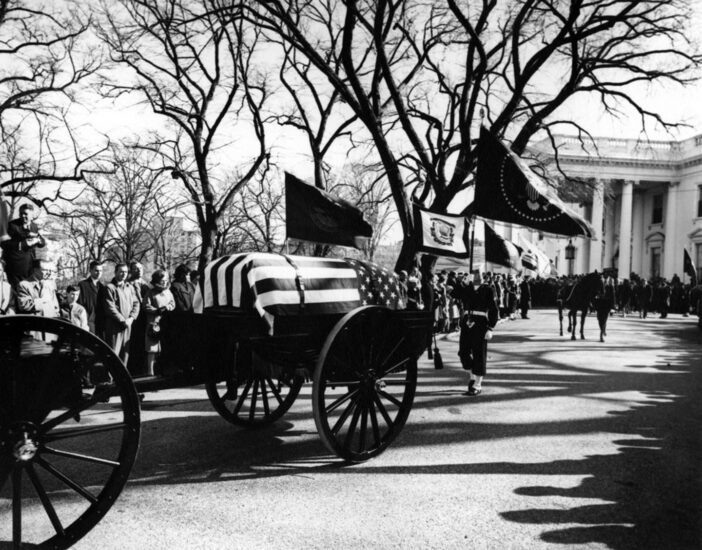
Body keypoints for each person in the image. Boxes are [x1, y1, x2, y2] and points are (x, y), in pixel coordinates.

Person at [455, 272, 499, 396]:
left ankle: (477, 385)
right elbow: (455, 293)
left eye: (478, 274)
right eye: (473, 274)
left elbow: (494, 309)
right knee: (463, 352)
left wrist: (490, 327)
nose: (476, 276)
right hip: (467, 321)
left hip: (480, 323)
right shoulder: (467, 288)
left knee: (479, 354)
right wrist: (462, 281)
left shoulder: (488, 290)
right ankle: (472, 376)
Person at [102, 263, 140, 366]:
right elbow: (110, 307)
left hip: (128, 325)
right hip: (115, 326)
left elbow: (136, 304)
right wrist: (123, 320)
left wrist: (131, 318)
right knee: (113, 352)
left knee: (125, 353)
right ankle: (109, 380)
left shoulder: (130, 287)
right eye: (121, 271)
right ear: (115, 272)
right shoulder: (109, 288)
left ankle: (122, 379)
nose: (124, 274)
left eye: (126, 272)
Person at [1, 203, 46, 286]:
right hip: (15, 267)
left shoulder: (34, 226)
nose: (22, 216)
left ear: (32, 215)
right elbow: (4, 244)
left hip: (30, 267)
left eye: (25, 214)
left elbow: (41, 242)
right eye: (21, 213)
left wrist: (39, 240)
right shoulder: (12, 225)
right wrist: (22, 244)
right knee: (17, 293)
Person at [143, 270, 175, 376]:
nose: (164, 283)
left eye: (166, 280)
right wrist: (156, 310)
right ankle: (150, 371)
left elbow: (172, 303)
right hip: (153, 323)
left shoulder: (168, 292)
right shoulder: (150, 293)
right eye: (162, 281)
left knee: (164, 347)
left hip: (166, 322)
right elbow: (146, 306)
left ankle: (163, 370)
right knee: (152, 348)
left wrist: (167, 308)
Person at [128, 261, 150, 374]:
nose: (139, 270)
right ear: (131, 270)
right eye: (136, 268)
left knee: (142, 343)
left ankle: (142, 369)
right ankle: (131, 369)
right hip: (132, 318)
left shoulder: (146, 285)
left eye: (141, 268)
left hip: (144, 318)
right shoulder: (127, 284)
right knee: (132, 344)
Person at [77, 260, 106, 335]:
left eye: (101, 271)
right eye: (96, 270)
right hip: (87, 321)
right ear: (90, 270)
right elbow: (80, 305)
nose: (99, 273)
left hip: (100, 322)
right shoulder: (83, 285)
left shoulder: (103, 287)